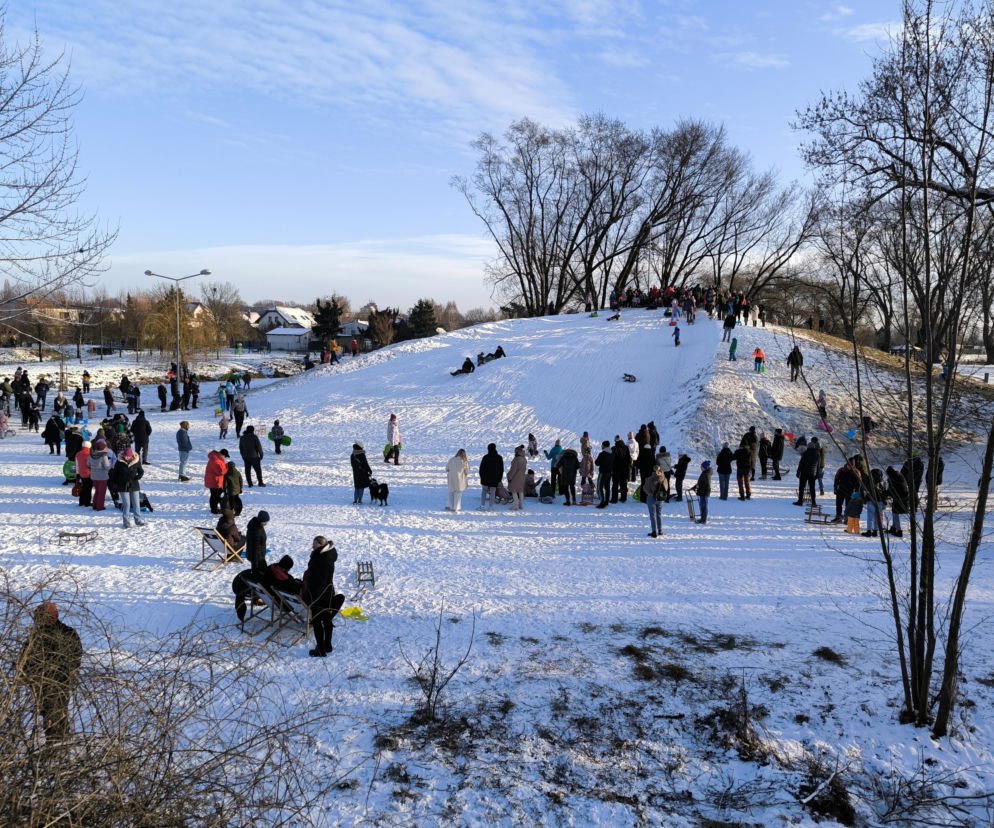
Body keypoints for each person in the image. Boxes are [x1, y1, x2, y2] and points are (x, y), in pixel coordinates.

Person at [20, 602, 82, 743]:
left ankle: (56, 749)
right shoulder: (66, 632)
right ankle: (61, 746)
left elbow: (75, 658)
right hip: (55, 683)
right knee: (57, 715)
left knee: (53, 717)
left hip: (53, 683)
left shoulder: (41, 635)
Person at [305, 535, 343, 657]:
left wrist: (312, 595)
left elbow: (319, 580)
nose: (312, 546)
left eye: (315, 544)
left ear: (321, 545)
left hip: (319, 594)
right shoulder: (324, 556)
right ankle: (327, 645)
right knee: (326, 619)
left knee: (317, 621)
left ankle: (321, 649)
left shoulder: (323, 559)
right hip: (326, 593)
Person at [111, 447, 146, 527]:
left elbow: (141, 471)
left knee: (136, 504)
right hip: (123, 486)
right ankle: (126, 523)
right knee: (127, 505)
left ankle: (138, 521)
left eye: (128, 456)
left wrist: (139, 476)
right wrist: (114, 485)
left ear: (131, 456)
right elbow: (114, 475)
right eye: (125, 456)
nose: (126, 457)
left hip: (134, 485)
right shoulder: (119, 462)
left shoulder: (136, 461)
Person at [794, 438, 821, 506]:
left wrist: (798, 472)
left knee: (801, 487)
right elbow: (818, 466)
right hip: (812, 474)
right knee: (812, 488)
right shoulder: (817, 454)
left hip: (804, 473)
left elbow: (801, 464)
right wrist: (817, 474)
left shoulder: (805, 453)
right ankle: (813, 502)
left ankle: (800, 501)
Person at [87, 438, 112, 510]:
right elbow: (107, 466)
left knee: (97, 491)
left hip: (94, 476)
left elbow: (88, 464)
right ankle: (100, 506)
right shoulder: (104, 456)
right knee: (102, 493)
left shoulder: (91, 455)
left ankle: (95, 505)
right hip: (102, 476)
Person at [478, 443, 504, 511]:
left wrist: (482, 477)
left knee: (484, 492)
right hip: (495, 478)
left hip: (485, 478)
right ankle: (491, 507)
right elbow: (501, 469)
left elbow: (481, 469)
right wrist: (499, 479)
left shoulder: (485, 457)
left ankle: (482, 506)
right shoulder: (499, 457)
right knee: (493, 492)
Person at [245, 511, 270, 579]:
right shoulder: (257, 530)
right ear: (261, 521)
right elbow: (255, 548)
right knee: (261, 575)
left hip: (259, 556)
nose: (266, 523)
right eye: (265, 522)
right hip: (257, 558)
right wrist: (255, 564)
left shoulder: (256, 525)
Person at [643, 464, 666, 537]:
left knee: (653, 515)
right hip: (661, 498)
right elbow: (666, 488)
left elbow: (645, 488)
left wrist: (650, 493)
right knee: (659, 514)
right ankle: (660, 530)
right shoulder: (664, 478)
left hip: (651, 498)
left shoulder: (650, 479)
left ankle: (654, 531)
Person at [886, 466, 909, 537]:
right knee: (894, 512)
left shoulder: (893, 479)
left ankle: (899, 531)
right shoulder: (899, 476)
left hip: (899, 498)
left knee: (895, 513)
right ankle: (894, 527)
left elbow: (891, 490)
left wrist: (885, 493)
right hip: (903, 497)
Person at [205, 449, 228, 514]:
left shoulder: (218, 459)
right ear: (222, 455)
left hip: (215, 480)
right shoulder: (216, 461)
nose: (225, 458)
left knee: (216, 494)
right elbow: (220, 472)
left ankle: (215, 507)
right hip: (214, 481)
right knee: (214, 495)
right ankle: (214, 509)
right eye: (225, 456)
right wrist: (227, 467)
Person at [611, 435, 631, 503]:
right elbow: (629, 459)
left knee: (615, 484)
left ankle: (614, 499)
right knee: (623, 484)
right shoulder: (626, 448)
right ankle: (623, 498)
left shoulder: (613, 449)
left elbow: (612, 460)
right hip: (624, 469)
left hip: (616, 469)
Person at [507, 445, 527, 510]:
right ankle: (521, 505)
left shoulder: (516, 459)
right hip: (522, 476)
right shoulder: (524, 459)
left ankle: (516, 505)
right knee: (521, 491)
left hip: (515, 477)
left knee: (514, 491)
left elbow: (513, 470)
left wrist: (509, 476)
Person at [595, 440, 613, 508]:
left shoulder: (602, 454)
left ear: (604, 446)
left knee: (600, 487)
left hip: (603, 472)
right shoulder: (612, 453)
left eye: (602, 445)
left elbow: (597, 463)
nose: (601, 446)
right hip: (609, 472)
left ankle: (602, 502)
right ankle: (606, 501)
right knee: (607, 487)